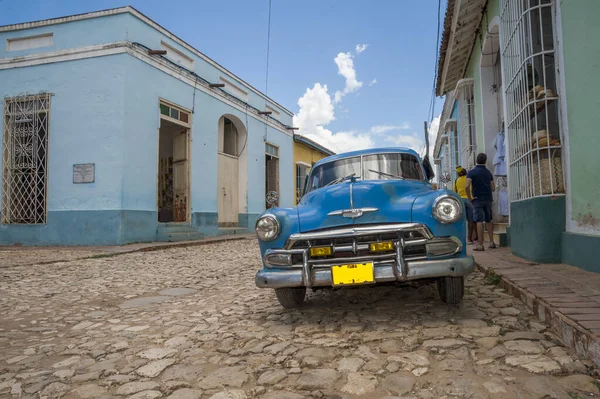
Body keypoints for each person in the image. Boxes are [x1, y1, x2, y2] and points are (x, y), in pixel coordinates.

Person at [466, 153, 496, 251]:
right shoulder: (488, 173)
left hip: (477, 199)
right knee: (489, 220)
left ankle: (480, 244)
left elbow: (467, 186)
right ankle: (492, 242)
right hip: (488, 198)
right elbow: (493, 188)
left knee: (479, 221)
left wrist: (470, 197)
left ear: (476, 160)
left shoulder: (472, 172)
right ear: (485, 161)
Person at [453, 166, 477, 244]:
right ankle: (470, 238)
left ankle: (461, 238)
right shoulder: (468, 178)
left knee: (462, 220)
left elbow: (455, 192)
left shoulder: (456, 180)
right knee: (471, 220)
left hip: (461, 200)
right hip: (470, 200)